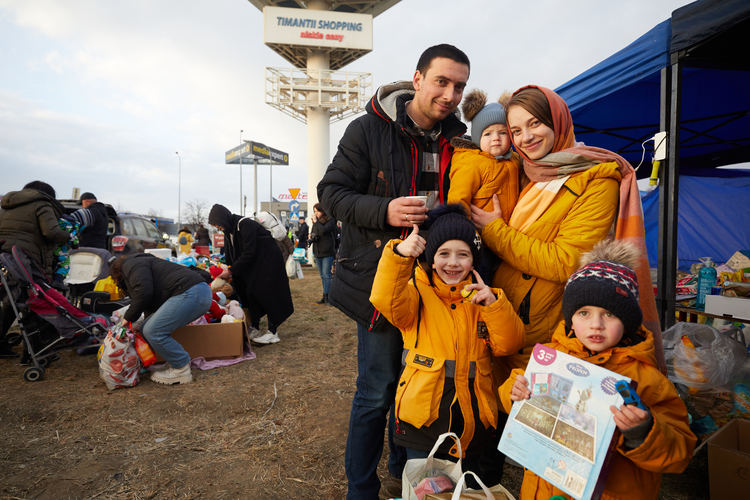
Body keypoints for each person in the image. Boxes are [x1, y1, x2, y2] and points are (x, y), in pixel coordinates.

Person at [318, 43, 470, 499]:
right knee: (377, 392)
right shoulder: (368, 130)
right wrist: (385, 210)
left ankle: (405, 476)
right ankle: (361, 489)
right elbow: (331, 193)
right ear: (417, 79)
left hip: (437, 287)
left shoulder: (460, 141)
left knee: (419, 393)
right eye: (441, 81)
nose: (449, 94)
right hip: (383, 284)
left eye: (459, 86)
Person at [471, 85, 662, 385]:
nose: (526, 137)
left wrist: (494, 231)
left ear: (558, 121)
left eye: (535, 123)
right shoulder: (526, 172)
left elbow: (566, 261)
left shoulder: (596, 179)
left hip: (545, 337)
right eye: (517, 130)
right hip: (501, 323)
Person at [500, 240, 696, 499]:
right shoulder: (550, 358)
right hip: (545, 489)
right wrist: (514, 392)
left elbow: (680, 453)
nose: (596, 325)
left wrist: (642, 431)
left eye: (609, 314)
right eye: (583, 313)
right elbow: (513, 396)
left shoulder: (647, 379)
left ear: (627, 321)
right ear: (570, 317)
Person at [370, 204, 523, 484]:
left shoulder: (486, 298)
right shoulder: (416, 293)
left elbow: (508, 345)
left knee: (464, 486)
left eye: (462, 255)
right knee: (427, 486)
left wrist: (495, 306)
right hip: (423, 419)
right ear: (431, 256)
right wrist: (398, 256)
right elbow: (385, 300)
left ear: (473, 260)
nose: (453, 263)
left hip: (473, 418)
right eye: (444, 254)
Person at [447, 88, 520, 282]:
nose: (495, 138)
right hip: (479, 240)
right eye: (487, 134)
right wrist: (463, 237)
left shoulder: (514, 160)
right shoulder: (471, 162)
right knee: (482, 278)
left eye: (502, 132)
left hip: (507, 237)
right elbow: (458, 199)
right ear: (478, 138)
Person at [109, 253, 211, 385]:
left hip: (190, 292)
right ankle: (174, 362)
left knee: (153, 331)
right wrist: (139, 323)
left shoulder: (130, 265)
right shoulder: (142, 262)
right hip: (195, 292)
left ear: (118, 275)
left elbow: (143, 292)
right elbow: (150, 301)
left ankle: (181, 369)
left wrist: (126, 319)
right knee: (146, 327)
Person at [0, 181, 71, 357]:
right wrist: (68, 236)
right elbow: (51, 232)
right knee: (33, 302)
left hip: (6, 259)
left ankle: (2, 343)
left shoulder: (7, 205)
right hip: (26, 261)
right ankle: (36, 350)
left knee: (11, 301)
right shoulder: (42, 204)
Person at [207, 204, 293, 345]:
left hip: (269, 265)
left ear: (223, 219)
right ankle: (255, 326)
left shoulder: (245, 225)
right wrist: (228, 268)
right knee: (250, 294)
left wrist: (230, 270)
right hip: (256, 267)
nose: (218, 228)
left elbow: (249, 252)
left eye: (218, 225)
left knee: (268, 295)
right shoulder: (230, 230)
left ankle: (273, 332)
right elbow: (231, 254)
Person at [308, 205, 337, 304]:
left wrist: (316, 222)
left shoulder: (331, 221)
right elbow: (315, 233)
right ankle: (325, 296)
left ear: (323, 211)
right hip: (317, 251)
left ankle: (330, 297)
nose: (315, 213)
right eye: (314, 211)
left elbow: (323, 231)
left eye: (317, 211)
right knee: (322, 276)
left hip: (327, 252)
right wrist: (311, 238)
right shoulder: (316, 223)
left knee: (327, 275)